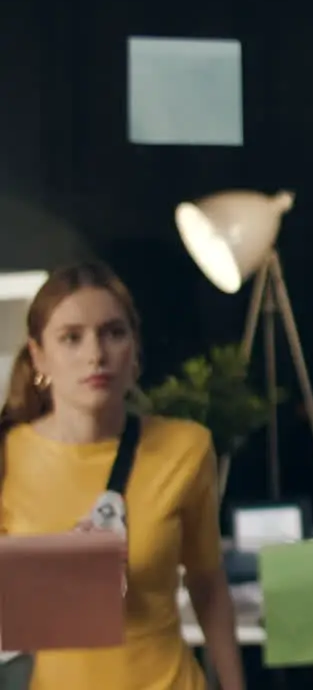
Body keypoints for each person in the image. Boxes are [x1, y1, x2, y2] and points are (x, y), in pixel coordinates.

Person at [0, 262, 244, 690]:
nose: (96, 354)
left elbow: (208, 581)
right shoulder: (11, 455)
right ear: (39, 356)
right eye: (71, 338)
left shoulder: (184, 448)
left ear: (134, 349)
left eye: (113, 333)